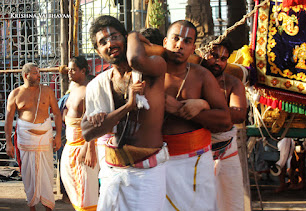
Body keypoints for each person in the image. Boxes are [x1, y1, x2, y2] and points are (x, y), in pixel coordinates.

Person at [81, 15, 168, 210]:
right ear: (97, 51)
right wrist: (127, 106)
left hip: (147, 173)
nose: (110, 44)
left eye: (115, 36)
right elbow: (87, 132)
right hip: (112, 171)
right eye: (103, 42)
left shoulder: (152, 69)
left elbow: (135, 58)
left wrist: (134, 35)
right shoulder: (97, 85)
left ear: (126, 38)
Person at [162, 20, 232, 211]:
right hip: (158, 162)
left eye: (186, 41)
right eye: (176, 39)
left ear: (193, 47)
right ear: (165, 42)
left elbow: (225, 120)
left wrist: (183, 111)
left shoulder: (201, 76)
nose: (180, 45)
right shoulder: (152, 74)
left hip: (195, 162)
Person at [5, 63, 62, 211]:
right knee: (28, 174)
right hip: (26, 138)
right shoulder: (16, 94)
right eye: (35, 73)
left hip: (45, 137)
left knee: (47, 173)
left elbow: (56, 113)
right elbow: (9, 119)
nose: (39, 75)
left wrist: (58, 136)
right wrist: (9, 143)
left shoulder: (47, 91)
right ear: (26, 75)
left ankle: (48, 206)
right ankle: (32, 206)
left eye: (38, 72)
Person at [200, 36, 247, 211]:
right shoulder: (191, 78)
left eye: (223, 58)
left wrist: (201, 107)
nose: (218, 62)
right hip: (195, 153)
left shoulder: (233, 83)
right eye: (213, 56)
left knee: (232, 204)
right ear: (203, 54)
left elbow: (239, 115)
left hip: (227, 152)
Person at [60, 56, 99, 210]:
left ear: (83, 71)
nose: (69, 72)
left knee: (86, 196)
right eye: (69, 69)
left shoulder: (89, 90)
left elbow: (94, 122)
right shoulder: (72, 89)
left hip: (84, 148)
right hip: (70, 147)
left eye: (73, 70)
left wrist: (88, 148)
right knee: (75, 191)